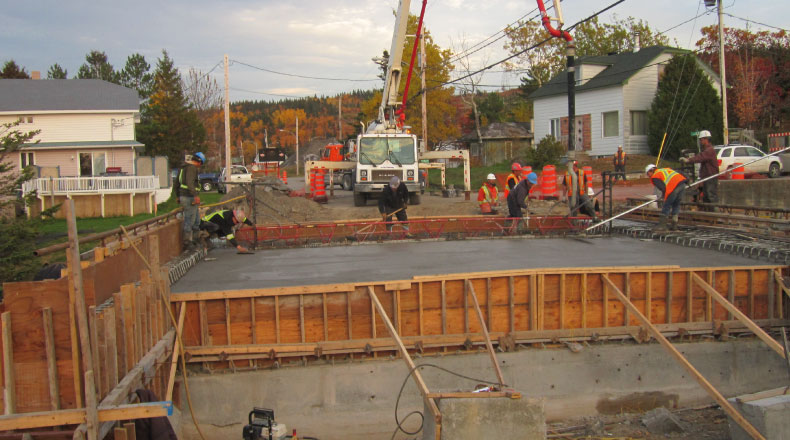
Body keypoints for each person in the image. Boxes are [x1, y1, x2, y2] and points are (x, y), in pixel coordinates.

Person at [680, 130, 717, 211]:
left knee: (711, 196)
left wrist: (688, 160)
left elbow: (700, 157)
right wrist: (700, 178)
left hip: (711, 176)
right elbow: (702, 160)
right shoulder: (706, 150)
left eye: (701, 139)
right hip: (706, 176)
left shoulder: (709, 150)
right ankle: (708, 215)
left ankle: (713, 214)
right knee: (706, 197)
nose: (700, 141)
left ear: (706, 139)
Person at [645, 164, 688, 232]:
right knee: (676, 204)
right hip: (682, 185)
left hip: (673, 187)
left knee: (666, 205)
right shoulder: (665, 170)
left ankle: (662, 226)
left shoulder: (655, 176)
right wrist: (687, 180)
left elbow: (662, 187)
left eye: (647, 174)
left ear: (650, 171)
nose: (648, 176)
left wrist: (664, 196)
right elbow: (680, 173)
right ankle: (674, 225)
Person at [178, 152, 205, 249]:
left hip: (185, 196)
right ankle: (187, 242)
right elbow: (190, 183)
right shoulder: (191, 168)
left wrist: (178, 196)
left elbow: (178, 182)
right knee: (190, 219)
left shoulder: (184, 168)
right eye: (201, 163)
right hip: (189, 197)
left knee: (196, 220)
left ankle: (195, 240)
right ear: (198, 161)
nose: (200, 166)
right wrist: (195, 196)